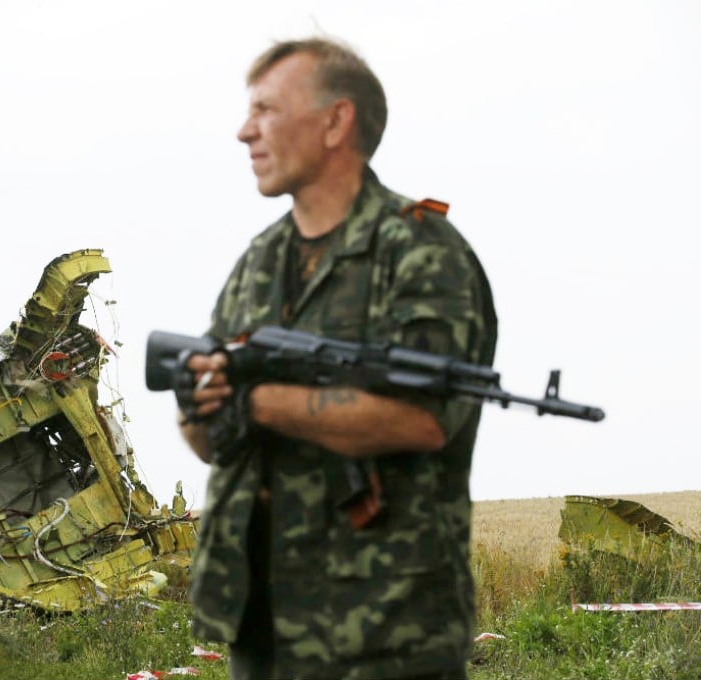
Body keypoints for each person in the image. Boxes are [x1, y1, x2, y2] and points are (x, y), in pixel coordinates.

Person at [179, 38, 497, 680]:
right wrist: (202, 405)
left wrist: (261, 400)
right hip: (260, 625)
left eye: (266, 110)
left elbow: (424, 420)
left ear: (335, 121)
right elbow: (211, 439)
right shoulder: (258, 263)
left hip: (384, 630)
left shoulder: (418, 249)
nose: (245, 132)